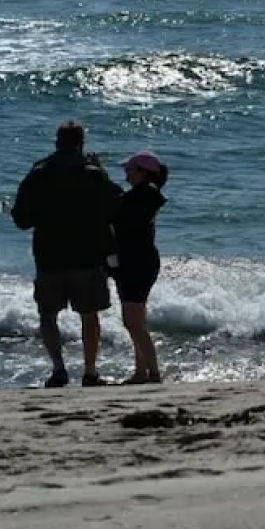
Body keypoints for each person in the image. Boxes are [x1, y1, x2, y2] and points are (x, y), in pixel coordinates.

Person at [11, 121, 122, 387]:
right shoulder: (93, 174)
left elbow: (21, 218)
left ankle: (59, 369)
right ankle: (90, 371)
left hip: (49, 255)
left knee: (48, 315)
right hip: (87, 255)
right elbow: (115, 207)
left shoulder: (39, 172)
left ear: (57, 142)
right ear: (82, 143)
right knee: (89, 315)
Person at [111, 151, 168, 385]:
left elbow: (119, 208)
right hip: (137, 261)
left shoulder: (145, 195)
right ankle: (141, 371)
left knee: (133, 322)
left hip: (137, 263)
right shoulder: (144, 195)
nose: (126, 175)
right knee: (136, 321)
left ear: (143, 172)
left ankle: (153, 372)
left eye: (130, 170)